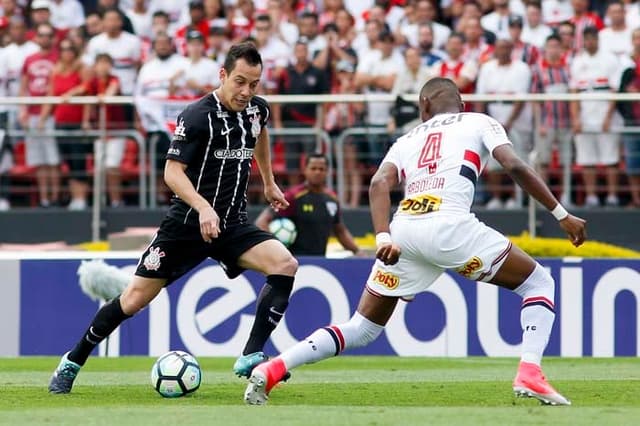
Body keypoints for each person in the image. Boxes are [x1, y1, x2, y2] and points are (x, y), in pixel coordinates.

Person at [243, 77, 586, 407]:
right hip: (450, 227)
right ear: (460, 103)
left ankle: (274, 367)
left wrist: (382, 238)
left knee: (361, 327)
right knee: (538, 282)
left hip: (404, 231)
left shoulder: (407, 139)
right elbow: (514, 165)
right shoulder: (479, 121)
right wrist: (561, 214)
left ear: (424, 106)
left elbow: (378, 183)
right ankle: (529, 371)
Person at [49, 42, 299, 394]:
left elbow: (261, 136)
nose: (246, 92)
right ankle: (72, 361)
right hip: (186, 226)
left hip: (231, 223)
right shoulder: (197, 116)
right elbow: (172, 173)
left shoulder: (257, 111)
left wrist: (270, 182)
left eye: (254, 84)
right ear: (223, 75)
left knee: (285, 264)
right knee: (132, 300)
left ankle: (252, 353)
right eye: (240, 82)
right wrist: (203, 207)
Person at [255, 153, 362, 256]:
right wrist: (277, 248)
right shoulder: (292, 196)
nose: (317, 172)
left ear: (327, 172)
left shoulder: (332, 199)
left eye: (321, 169)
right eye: (313, 168)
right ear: (305, 170)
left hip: (320, 261)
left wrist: (358, 252)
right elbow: (261, 222)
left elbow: (340, 231)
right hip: (293, 261)